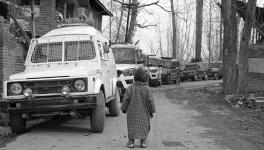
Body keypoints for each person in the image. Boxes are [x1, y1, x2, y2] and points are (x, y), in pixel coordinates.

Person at [121, 67, 156, 148]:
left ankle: (131, 142)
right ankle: (143, 142)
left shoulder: (130, 87)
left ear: (135, 77)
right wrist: (152, 110)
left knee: (131, 126)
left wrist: (124, 109)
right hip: (144, 113)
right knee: (144, 125)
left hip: (132, 113)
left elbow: (126, 99)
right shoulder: (147, 89)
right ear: (145, 77)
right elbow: (151, 101)